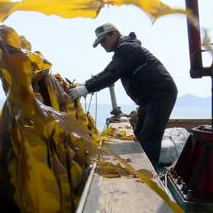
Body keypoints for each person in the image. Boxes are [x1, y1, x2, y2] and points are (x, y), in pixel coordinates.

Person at [69, 22, 177, 170]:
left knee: (150, 136)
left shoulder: (127, 48)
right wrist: (85, 85)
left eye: (103, 41)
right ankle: (143, 168)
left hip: (161, 94)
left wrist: (82, 90)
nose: (102, 45)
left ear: (114, 34)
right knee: (140, 133)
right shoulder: (123, 50)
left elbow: (110, 74)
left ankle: (149, 177)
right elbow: (108, 71)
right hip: (149, 99)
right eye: (99, 43)